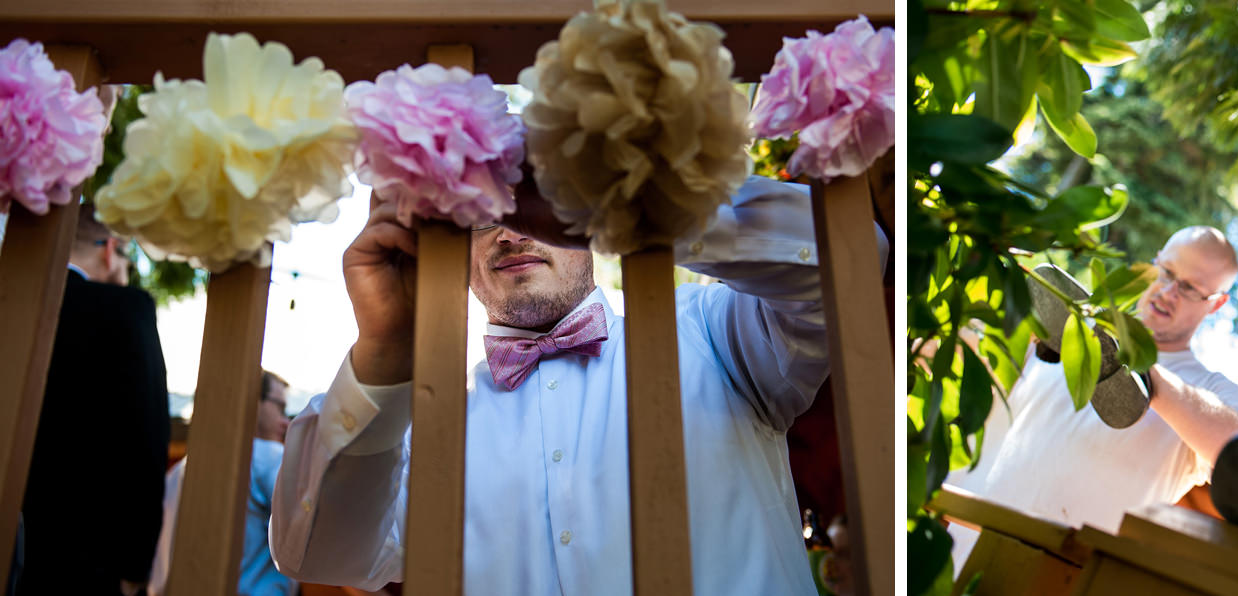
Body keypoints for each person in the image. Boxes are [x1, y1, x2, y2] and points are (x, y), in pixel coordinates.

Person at [268, 175, 883, 595]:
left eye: (534, 205)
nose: (510, 231)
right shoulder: (428, 423)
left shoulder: (715, 329)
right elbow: (318, 554)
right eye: (481, 220)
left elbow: (854, 256)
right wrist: (384, 352)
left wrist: (631, 194)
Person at [947, 226, 1238, 564]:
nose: (1169, 291)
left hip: (1048, 579)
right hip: (947, 546)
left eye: (1189, 288)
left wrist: (1148, 380)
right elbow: (958, 354)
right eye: (1167, 272)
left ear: (1216, 304)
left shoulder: (1208, 389)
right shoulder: (1067, 325)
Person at [16, 203, 169, 596]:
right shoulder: (124, 309)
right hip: (81, 552)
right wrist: (136, 563)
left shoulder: (12, 296)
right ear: (109, 249)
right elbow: (146, 439)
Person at [149, 371, 296, 596]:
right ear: (253, 402)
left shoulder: (178, 472)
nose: (286, 422)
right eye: (280, 408)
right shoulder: (270, 457)